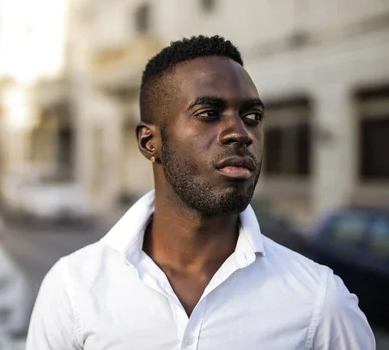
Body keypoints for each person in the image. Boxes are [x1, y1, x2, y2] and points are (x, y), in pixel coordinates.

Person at [25, 35, 375, 349]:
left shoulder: (319, 303)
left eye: (252, 116)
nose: (240, 133)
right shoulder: (73, 288)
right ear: (151, 142)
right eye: (209, 113)